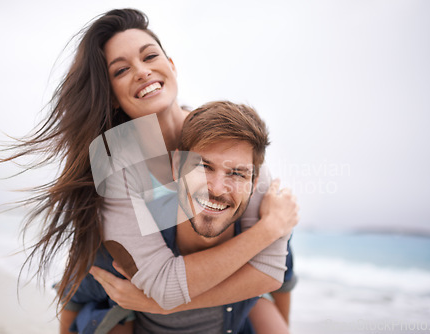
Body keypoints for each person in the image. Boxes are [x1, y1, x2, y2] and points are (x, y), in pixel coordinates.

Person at [0, 7, 298, 333]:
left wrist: (272, 229)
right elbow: (128, 282)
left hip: (219, 309)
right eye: (121, 70)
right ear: (110, 96)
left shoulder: (227, 137)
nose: (141, 71)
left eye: (150, 56)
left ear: (172, 66)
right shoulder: (115, 163)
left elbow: (275, 269)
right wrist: (269, 229)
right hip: (133, 308)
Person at [82, 101, 296, 333]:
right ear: (176, 167)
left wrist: (160, 305)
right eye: (203, 166)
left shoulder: (267, 225)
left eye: (236, 173)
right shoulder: (137, 236)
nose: (217, 188)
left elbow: (282, 283)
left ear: (254, 183)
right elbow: (75, 296)